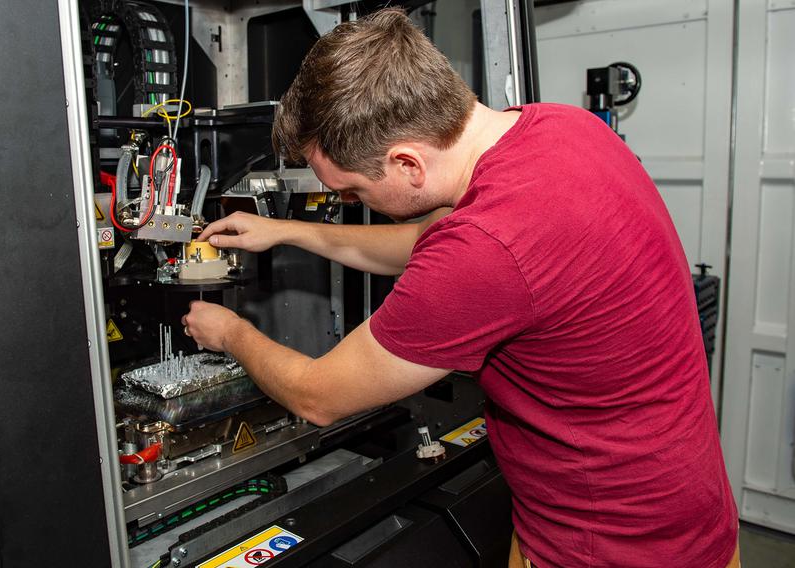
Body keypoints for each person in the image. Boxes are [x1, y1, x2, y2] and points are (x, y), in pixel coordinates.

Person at [181, 8, 739, 568]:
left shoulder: (487, 248)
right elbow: (427, 242)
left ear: (407, 164)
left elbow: (317, 396)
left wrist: (230, 332)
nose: (352, 206)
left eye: (352, 193)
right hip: (684, 510)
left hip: (609, 545)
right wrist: (285, 231)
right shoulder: (559, 128)